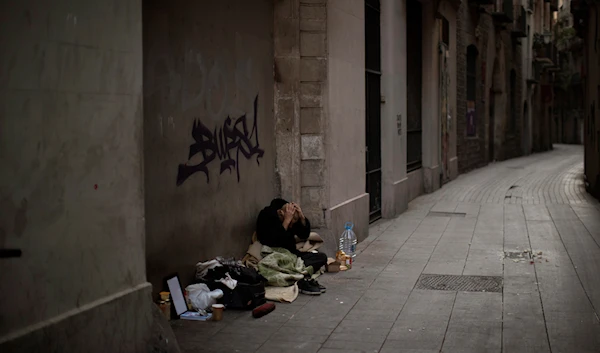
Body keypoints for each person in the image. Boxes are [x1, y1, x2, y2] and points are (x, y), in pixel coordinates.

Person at [256, 198, 327, 295]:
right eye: (290, 223)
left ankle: (299, 276)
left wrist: (302, 217)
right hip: (277, 253)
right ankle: (301, 280)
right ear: (280, 213)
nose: (291, 226)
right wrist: (286, 222)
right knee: (277, 267)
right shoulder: (266, 216)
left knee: (321, 257)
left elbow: (304, 235)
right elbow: (273, 241)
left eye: (292, 224)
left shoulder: (292, 215)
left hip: (292, 254)